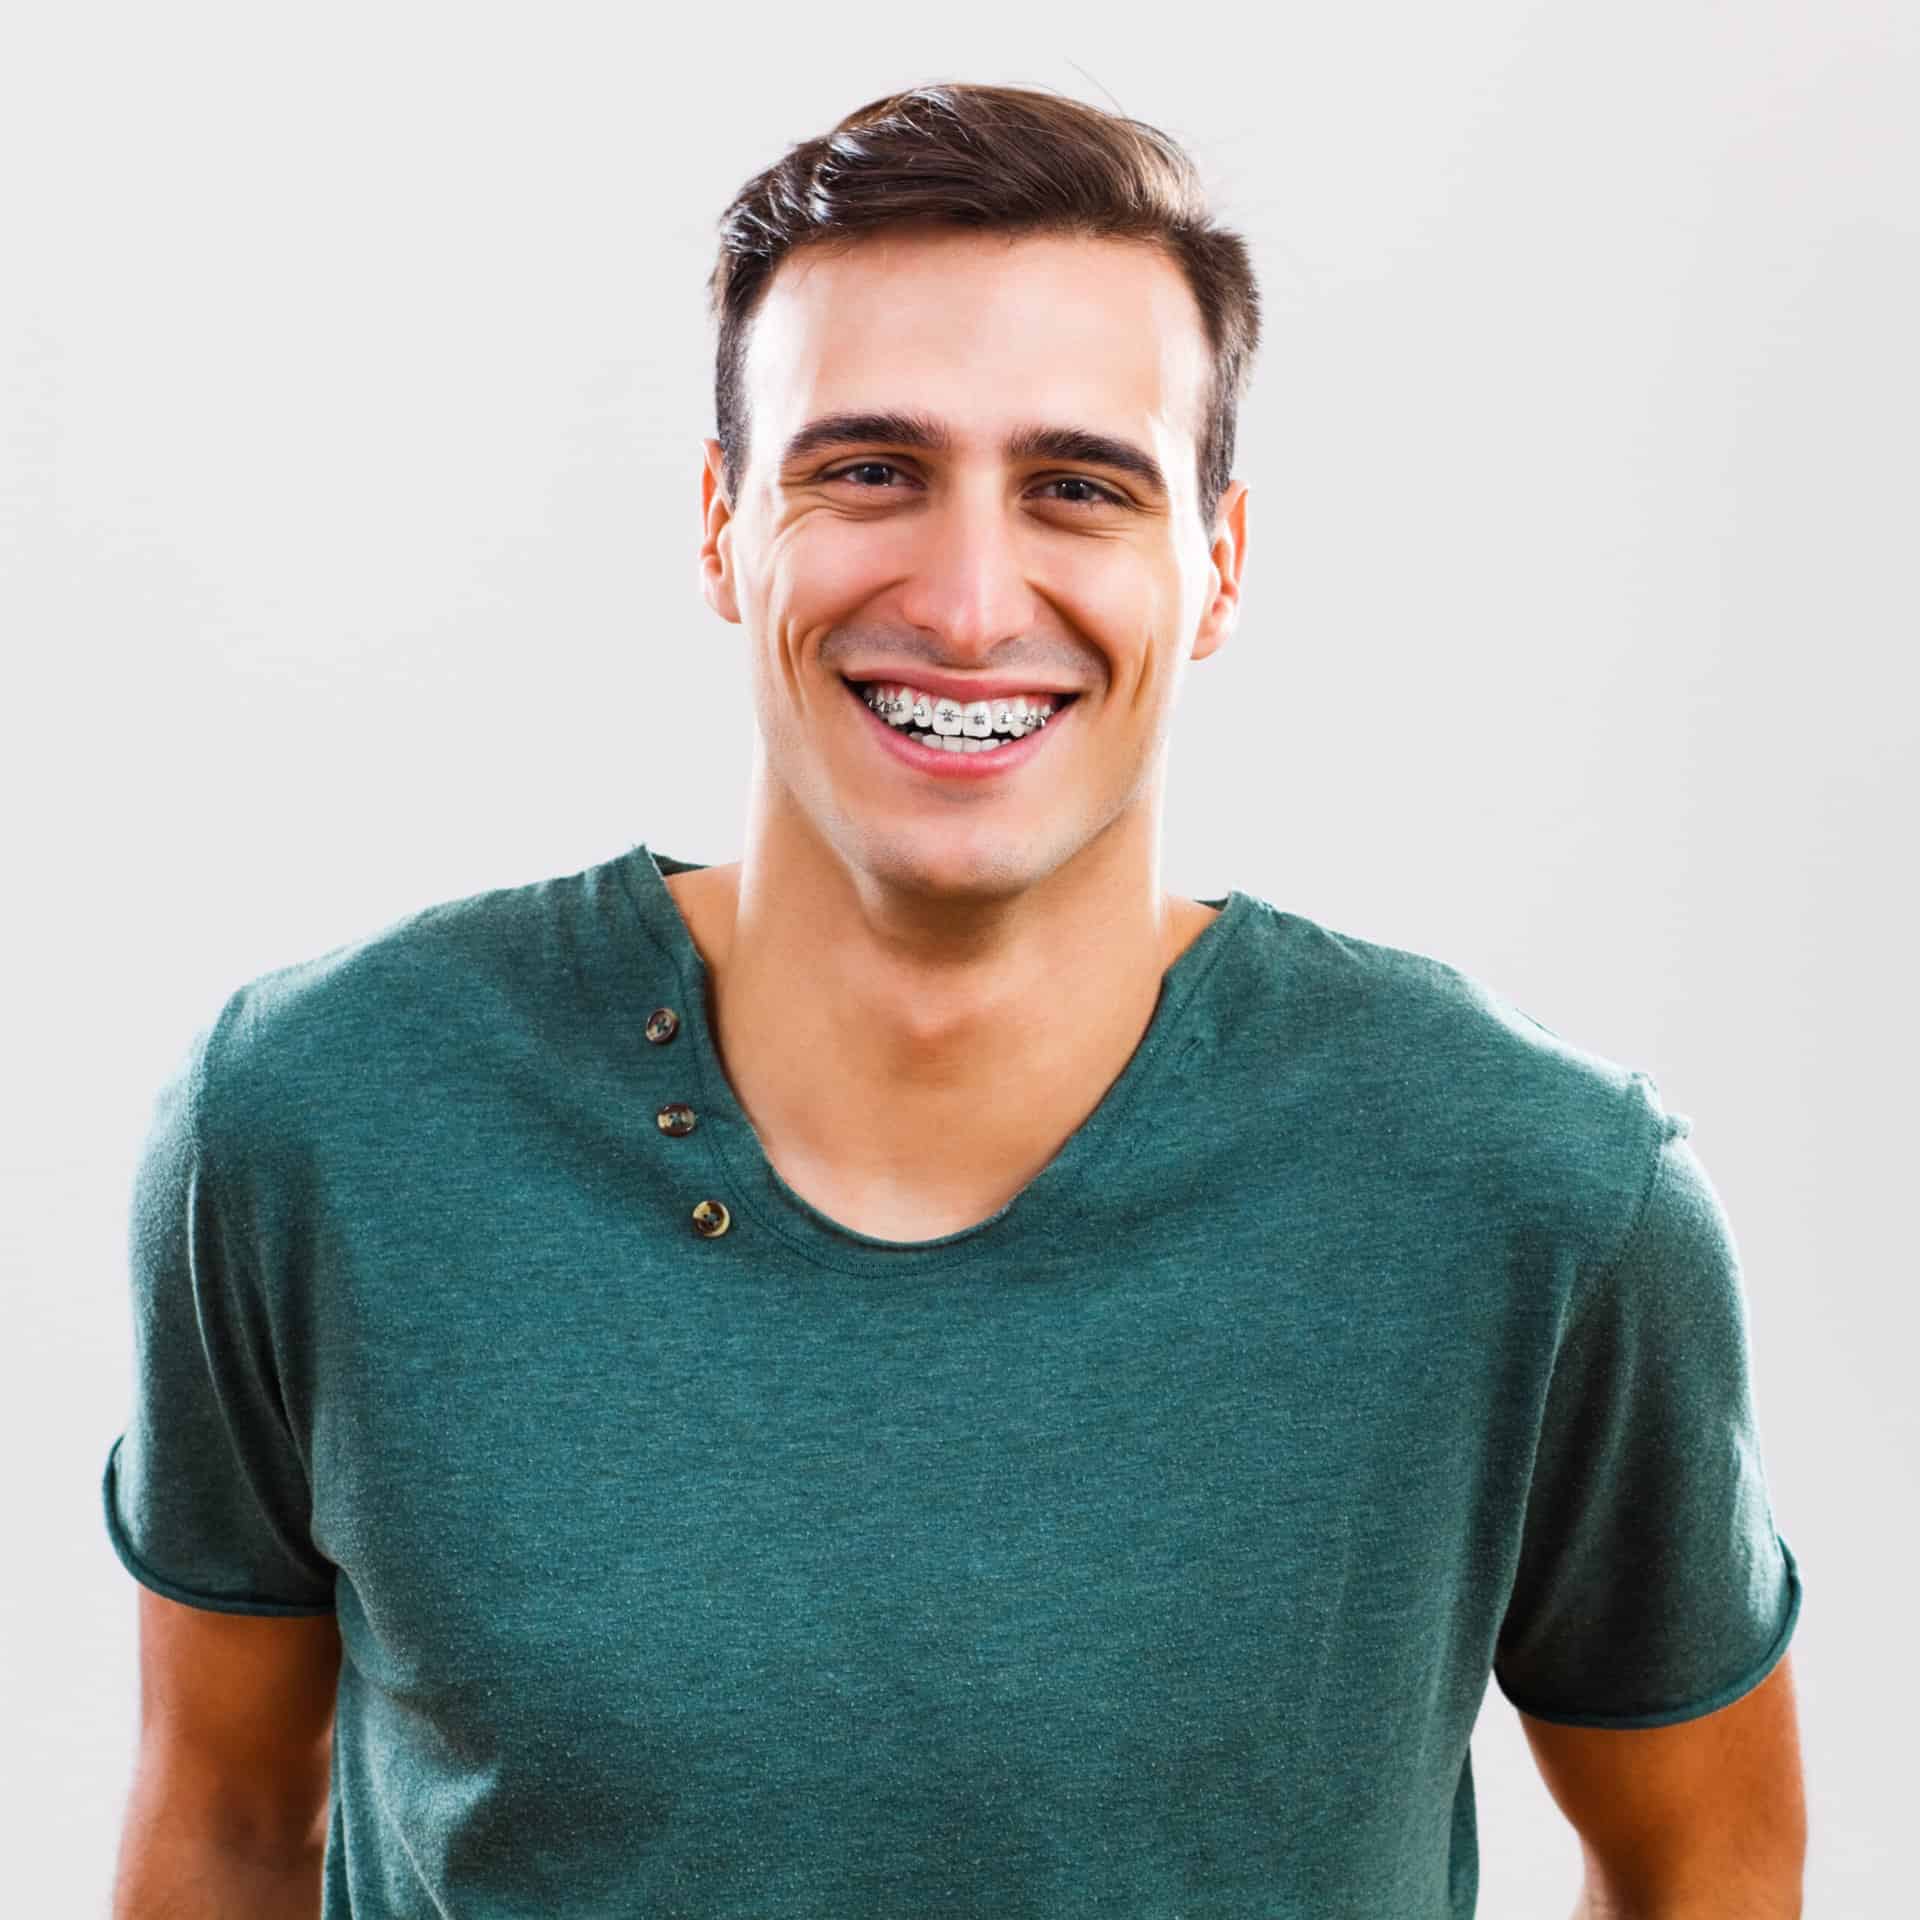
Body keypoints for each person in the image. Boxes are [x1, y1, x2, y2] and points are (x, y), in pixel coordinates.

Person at [102, 81, 1806, 1918]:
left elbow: (1708, 1855)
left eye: (1078, 486)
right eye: (867, 471)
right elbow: (217, 1823)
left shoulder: (1538, 1195)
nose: (973, 601)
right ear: (720, 529)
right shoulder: (321, 1123)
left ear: (1215, 563)